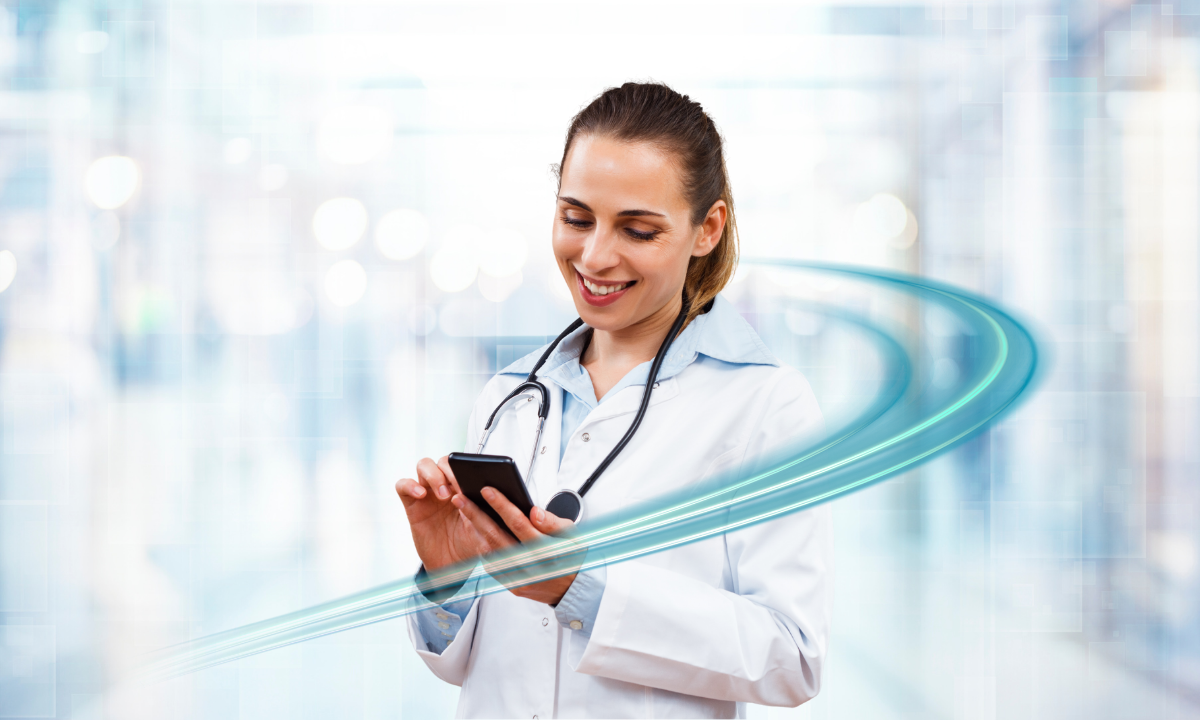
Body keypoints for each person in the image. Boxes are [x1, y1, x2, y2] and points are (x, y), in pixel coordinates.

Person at [395, 82, 832, 719]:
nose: (595, 256)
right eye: (576, 219)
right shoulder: (510, 399)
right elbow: (465, 663)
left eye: (638, 230)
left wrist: (582, 590)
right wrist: (447, 576)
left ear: (706, 228)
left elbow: (792, 658)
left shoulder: (766, 404)